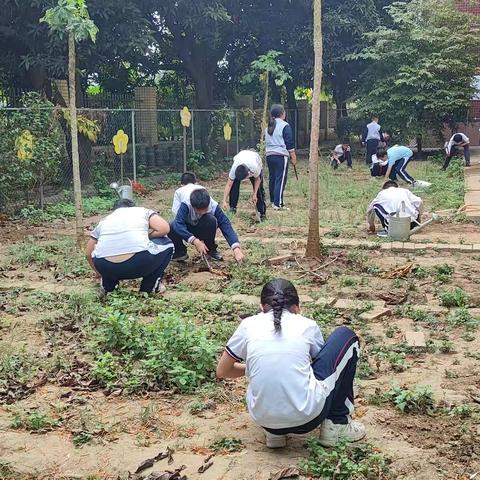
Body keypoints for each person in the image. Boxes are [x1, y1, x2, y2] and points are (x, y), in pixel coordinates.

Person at [216, 278, 365, 449]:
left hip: (264, 419)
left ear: (262, 307)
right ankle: (337, 423)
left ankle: (274, 434)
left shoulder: (247, 325)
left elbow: (222, 371)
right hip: (308, 419)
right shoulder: (307, 325)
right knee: (346, 335)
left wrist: (252, 367)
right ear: (297, 307)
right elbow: (321, 364)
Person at [85, 199, 173, 295]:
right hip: (139, 262)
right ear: (133, 207)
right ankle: (149, 288)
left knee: (106, 252)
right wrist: (148, 237)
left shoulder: (105, 220)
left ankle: (108, 287)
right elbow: (164, 228)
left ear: (114, 210)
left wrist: (99, 273)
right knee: (167, 244)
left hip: (105, 266)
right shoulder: (142, 211)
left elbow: (88, 253)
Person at [169, 187, 245, 263]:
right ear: (193, 206)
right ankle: (180, 252)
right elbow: (178, 224)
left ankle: (210, 250)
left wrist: (236, 248)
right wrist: (194, 241)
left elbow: (225, 225)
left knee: (211, 220)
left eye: (205, 210)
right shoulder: (186, 204)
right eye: (198, 211)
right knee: (171, 225)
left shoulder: (213, 205)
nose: (202, 213)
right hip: (188, 228)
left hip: (203, 227)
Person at [265, 104, 297, 210]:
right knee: (281, 179)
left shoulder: (268, 126)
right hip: (280, 156)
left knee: (272, 178)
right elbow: (289, 142)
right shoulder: (285, 125)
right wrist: (293, 156)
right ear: (282, 113)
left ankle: (273, 200)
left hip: (269, 155)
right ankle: (277, 203)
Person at [222, 149, 267, 220]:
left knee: (259, 190)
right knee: (234, 186)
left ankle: (262, 212)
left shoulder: (255, 168)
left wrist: (254, 194)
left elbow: (257, 180)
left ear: (248, 174)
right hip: (241, 156)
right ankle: (232, 208)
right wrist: (224, 200)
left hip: (255, 158)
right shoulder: (234, 169)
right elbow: (229, 185)